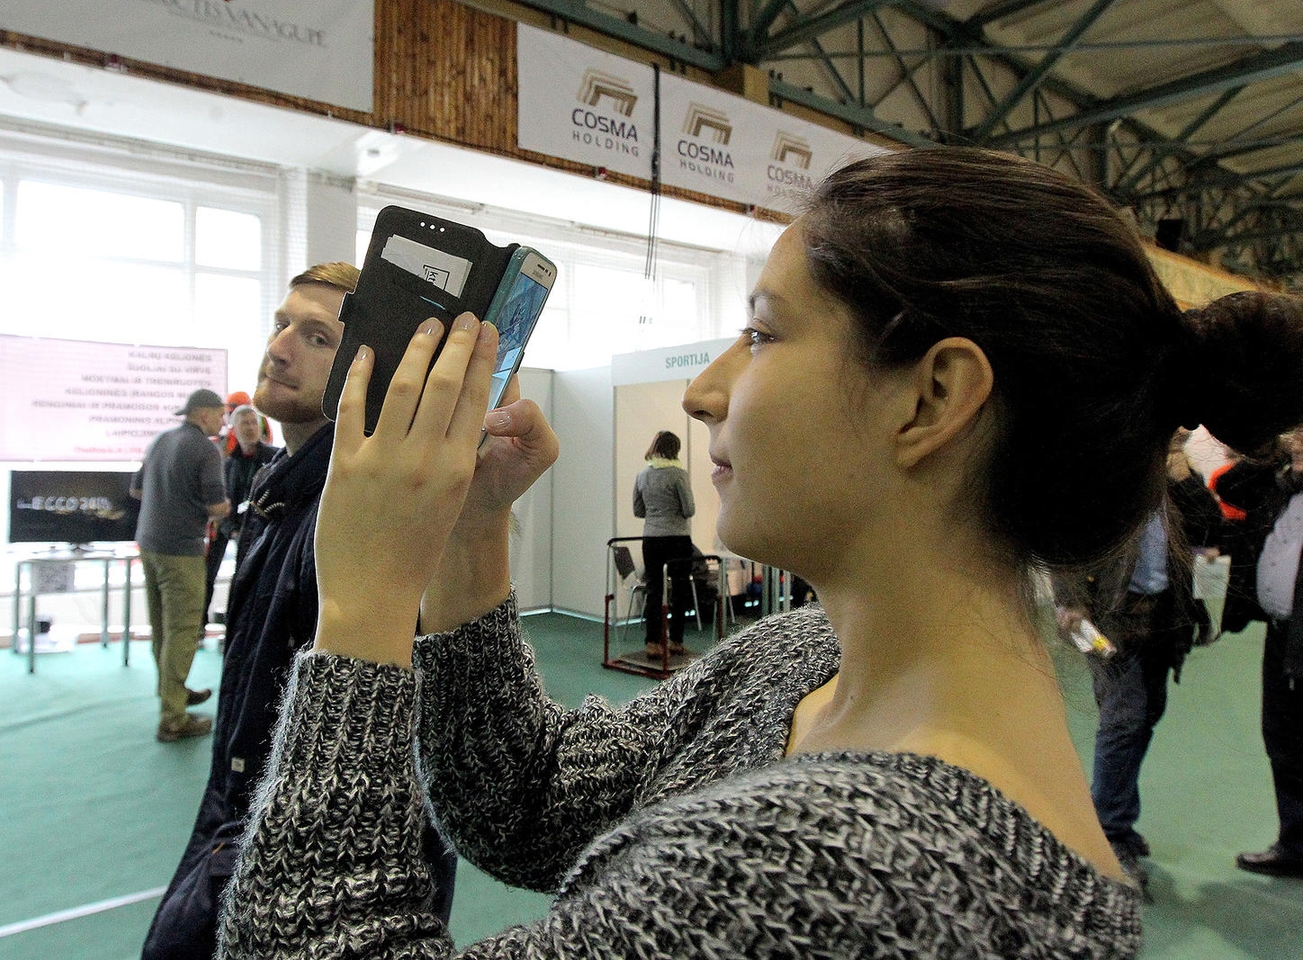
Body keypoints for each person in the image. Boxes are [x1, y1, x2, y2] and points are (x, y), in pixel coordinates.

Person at [218, 149, 1303, 958]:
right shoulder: (804, 660)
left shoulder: (849, 872)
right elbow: (529, 801)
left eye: (767, 333)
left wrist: (360, 612)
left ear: (933, 398)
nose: (706, 390)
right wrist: (469, 533)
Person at [141, 263, 456, 960]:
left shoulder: (353, 516)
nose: (279, 347)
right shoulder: (283, 499)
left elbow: (380, 768)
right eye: (281, 324)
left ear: (373, 374)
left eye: (317, 337)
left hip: (300, 877)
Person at [1055, 428, 1222, 892]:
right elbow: (1066, 535)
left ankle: (1118, 821)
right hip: (1105, 619)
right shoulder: (1105, 473)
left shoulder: (1174, 479)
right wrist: (1069, 600)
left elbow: (1211, 529)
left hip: (1163, 619)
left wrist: (1185, 476)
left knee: (1145, 715)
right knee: (1124, 718)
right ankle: (1107, 836)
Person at [1214, 427, 1303, 877]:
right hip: (1284, 634)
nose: (1300, 443)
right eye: (1298, 435)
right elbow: (1231, 485)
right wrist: (1271, 452)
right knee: (1284, 738)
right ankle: (1296, 845)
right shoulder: (1283, 485)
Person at [131, 388, 229, 742]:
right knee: (184, 631)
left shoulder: (160, 441)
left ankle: (173, 693)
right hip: (181, 551)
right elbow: (217, 506)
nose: (223, 421)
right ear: (204, 415)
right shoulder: (206, 449)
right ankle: (173, 718)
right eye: (220, 414)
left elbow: (137, 490)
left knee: (161, 628)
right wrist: (229, 508)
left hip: (149, 544)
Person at [200, 403, 279, 638]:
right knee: (209, 574)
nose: (250, 428)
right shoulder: (227, 464)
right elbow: (220, 500)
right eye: (244, 423)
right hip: (229, 527)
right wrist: (230, 529)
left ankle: (247, 629)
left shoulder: (274, 459)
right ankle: (202, 625)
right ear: (234, 427)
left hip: (261, 529)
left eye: (254, 422)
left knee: (247, 577)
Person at [631, 429, 696, 659]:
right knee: (679, 590)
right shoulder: (679, 474)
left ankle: (652, 643)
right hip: (677, 539)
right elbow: (689, 510)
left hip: (651, 539)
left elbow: (638, 511)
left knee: (654, 590)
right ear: (675, 449)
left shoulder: (642, 475)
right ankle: (676, 641)